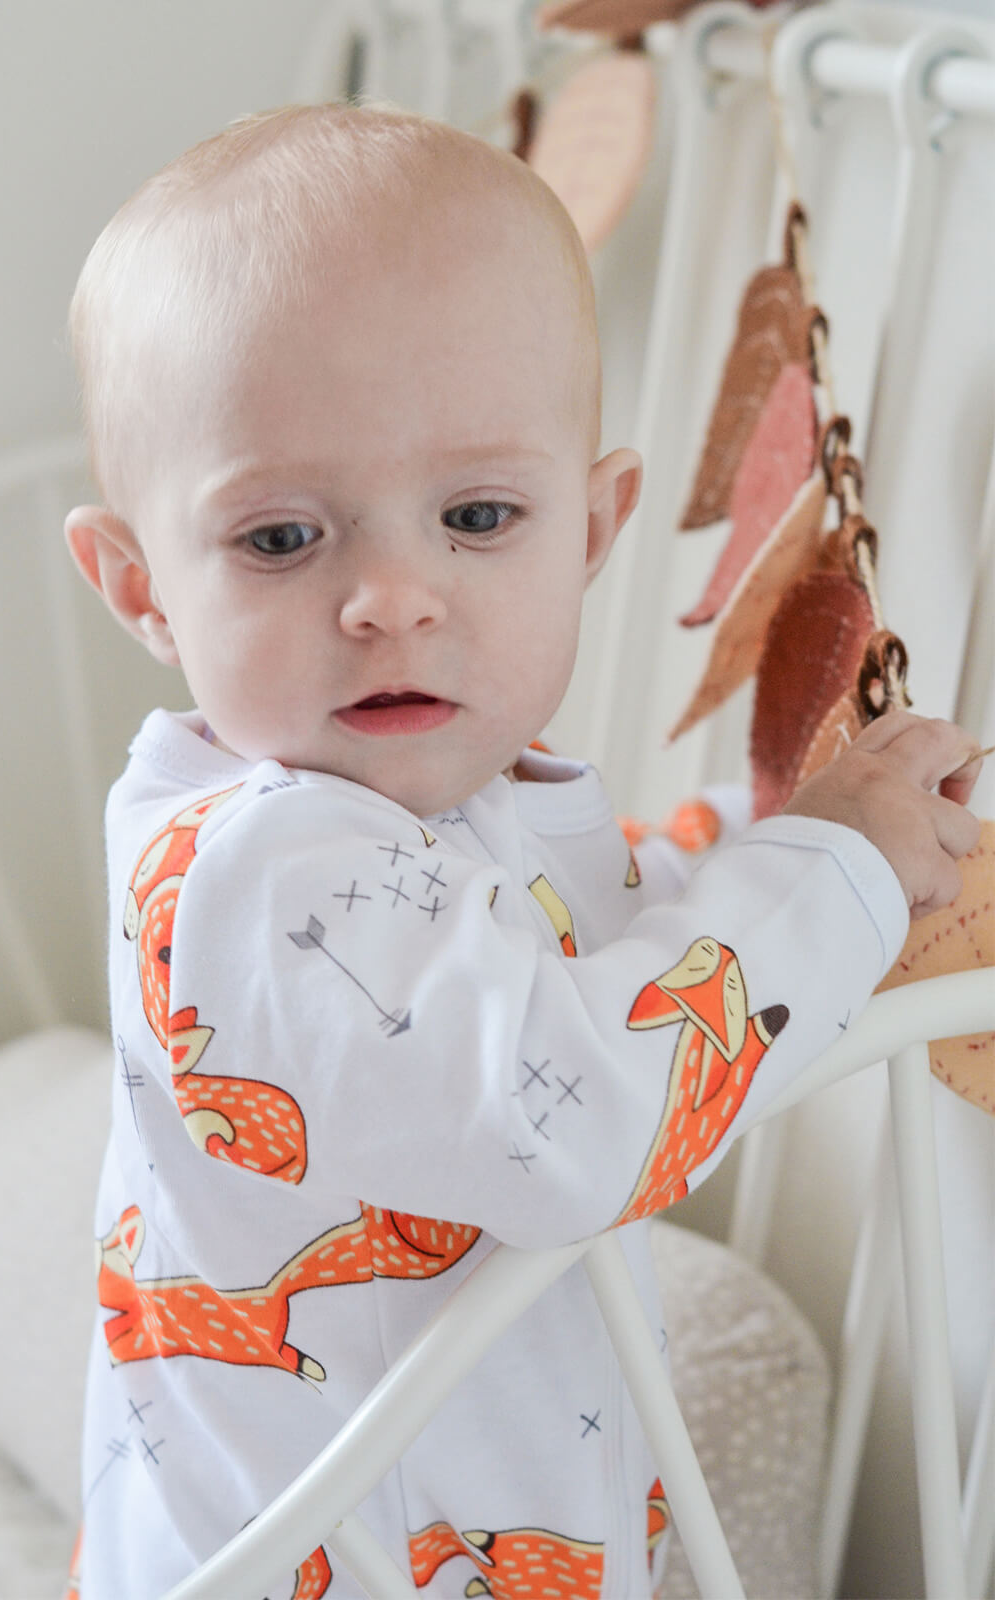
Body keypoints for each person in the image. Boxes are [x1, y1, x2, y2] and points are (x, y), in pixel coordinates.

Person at [62, 102, 981, 1600]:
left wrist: (771, 828)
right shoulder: (264, 878)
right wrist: (834, 873)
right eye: (282, 539)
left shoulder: (418, 808)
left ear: (596, 527)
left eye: (477, 514)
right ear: (141, 586)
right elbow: (582, 1109)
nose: (393, 597)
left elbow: (572, 927)